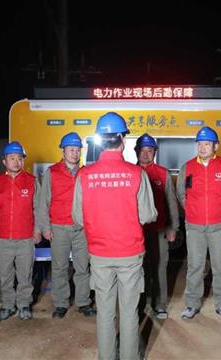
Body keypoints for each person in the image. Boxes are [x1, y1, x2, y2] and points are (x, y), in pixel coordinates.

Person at [72, 112, 157, 360]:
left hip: (99, 254)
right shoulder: (136, 174)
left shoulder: (84, 175)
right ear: (121, 140)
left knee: (105, 312)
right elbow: (148, 214)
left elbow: (77, 217)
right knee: (129, 312)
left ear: (100, 141)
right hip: (130, 253)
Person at [176, 126, 221, 320]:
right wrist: (194, 211)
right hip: (194, 226)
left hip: (219, 226)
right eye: (200, 144)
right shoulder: (187, 167)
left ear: (215, 146)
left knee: (220, 266)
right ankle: (192, 304)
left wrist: (219, 209)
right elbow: (181, 193)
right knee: (195, 266)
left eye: (206, 144)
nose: (202, 148)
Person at [0, 141, 43, 321]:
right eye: (12, 158)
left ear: (23, 160)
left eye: (19, 158)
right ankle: (8, 305)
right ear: (4, 161)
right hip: (3, 238)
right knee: (5, 274)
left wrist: (38, 230)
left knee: (25, 274)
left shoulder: (32, 182)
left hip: (26, 237)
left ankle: (24, 304)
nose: (16, 162)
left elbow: (39, 209)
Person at [40, 132, 94, 319]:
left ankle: (83, 301)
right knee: (59, 267)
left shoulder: (85, 173)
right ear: (63, 151)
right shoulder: (52, 173)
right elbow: (43, 202)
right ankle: (61, 303)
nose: (74, 153)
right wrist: (45, 227)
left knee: (82, 267)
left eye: (77, 149)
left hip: (81, 229)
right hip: (59, 228)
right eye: (71, 149)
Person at [134, 133, 179, 320]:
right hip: (136, 232)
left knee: (160, 267)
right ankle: (142, 302)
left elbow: (171, 201)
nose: (145, 154)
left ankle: (160, 304)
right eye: (142, 150)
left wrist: (173, 227)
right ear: (136, 151)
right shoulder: (130, 172)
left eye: (149, 151)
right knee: (139, 269)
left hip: (159, 230)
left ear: (154, 152)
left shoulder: (162, 173)